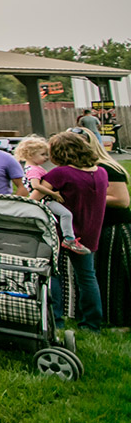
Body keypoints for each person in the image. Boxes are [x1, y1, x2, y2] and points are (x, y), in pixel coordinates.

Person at [30, 131, 108, 331]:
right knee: (87, 278)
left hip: (60, 234)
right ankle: (92, 324)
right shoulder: (100, 172)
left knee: (53, 275)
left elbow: (34, 199)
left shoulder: (60, 173)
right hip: (89, 233)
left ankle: (56, 320)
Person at [68, 126, 131, 327]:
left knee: (113, 277)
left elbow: (122, 200)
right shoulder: (77, 168)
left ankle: (117, 321)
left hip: (112, 229)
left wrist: (84, 199)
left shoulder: (106, 167)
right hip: (89, 228)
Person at [15, 136, 89, 254]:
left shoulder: (34, 167)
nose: (46, 157)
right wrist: (53, 194)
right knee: (66, 214)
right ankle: (69, 238)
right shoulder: (33, 170)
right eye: (42, 154)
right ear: (30, 155)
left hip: (45, 198)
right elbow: (36, 186)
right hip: (45, 200)